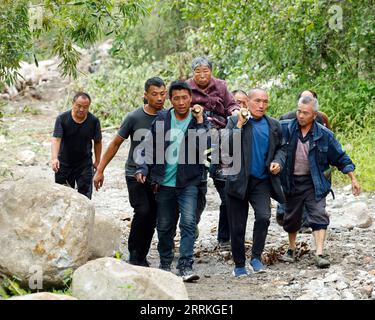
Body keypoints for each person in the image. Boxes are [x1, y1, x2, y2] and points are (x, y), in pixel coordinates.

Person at [135, 80, 210, 282]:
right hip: (164, 183)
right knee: (165, 226)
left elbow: (205, 146)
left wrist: (201, 120)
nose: (181, 102)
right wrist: (142, 168)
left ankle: (185, 266)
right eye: (176, 98)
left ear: (191, 98)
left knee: (188, 223)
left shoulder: (199, 119)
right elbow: (147, 147)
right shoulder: (161, 119)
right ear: (170, 100)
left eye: (185, 97)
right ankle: (166, 264)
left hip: (189, 183)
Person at [279, 96, 361, 268]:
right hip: (291, 181)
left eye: (305, 113)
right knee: (292, 217)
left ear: (314, 114)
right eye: (299, 111)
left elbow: (341, 157)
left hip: (314, 182)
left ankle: (320, 252)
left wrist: (353, 178)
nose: (300, 116)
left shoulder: (324, 135)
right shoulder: (285, 128)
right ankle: (291, 249)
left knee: (318, 214)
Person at [93, 77, 167, 267]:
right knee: (142, 211)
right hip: (134, 172)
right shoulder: (134, 117)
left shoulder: (168, 117)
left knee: (153, 216)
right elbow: (116, 143)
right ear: (145, 95)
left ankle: (141, 256)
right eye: (154, 94)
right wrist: (100, 170)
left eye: (162, 94)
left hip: (158, 175)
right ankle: (134, 254)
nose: (159, 98)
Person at [224, 88, 286, 277]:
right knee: (237, 226)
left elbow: (282, 149)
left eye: (265, 101)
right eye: (257, 101)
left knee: (264, 217)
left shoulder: (274, 125)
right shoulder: (234, 121)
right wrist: (240, 125)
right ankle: (239, 264)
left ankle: (256, 257)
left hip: (261, 181)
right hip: (238, 181)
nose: (261, 105)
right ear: (247, 103)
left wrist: (278, 162)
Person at [186, 57, 240, 248]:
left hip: (219, 140)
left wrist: (235, 112)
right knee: (195, 189)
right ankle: (191, 227)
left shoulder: (221, 86)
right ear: (193, 73)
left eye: (205, 71)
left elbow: (232, 105)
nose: (202, 75)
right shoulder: (186, 88)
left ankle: (224, 237)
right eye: (198, 71)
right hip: (194, 141)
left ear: (211, 71)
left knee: (226, 190)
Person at [276, 90, 332, 230]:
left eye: (310, 98)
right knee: (288, 195)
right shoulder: (287, 119)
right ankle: (283, 213)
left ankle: (307, 223)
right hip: (289, 165)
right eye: (303, 98)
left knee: (311, 196)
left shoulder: (321, 118)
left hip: (312, 166)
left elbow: (328, 139)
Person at [51, 92, 102, 199]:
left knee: (85, 196)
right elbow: (56, 139)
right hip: (64, 163)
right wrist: (54, 158)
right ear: (73, 104)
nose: (81, 109)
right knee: (62, 197)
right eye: (78, 106)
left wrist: (97, 161)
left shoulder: (93, 121)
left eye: (85, 107)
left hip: (84, 164)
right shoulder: (62, 119)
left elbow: (97, 142)